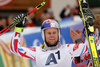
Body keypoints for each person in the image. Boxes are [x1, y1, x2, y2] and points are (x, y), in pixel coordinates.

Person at [10, 14, 94, 67]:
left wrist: (89, 27)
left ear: (58, 34)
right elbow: (15, 49)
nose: (52, 35)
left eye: (54, 32)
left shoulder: (68, 49)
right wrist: (18, 28)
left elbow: (90, 47)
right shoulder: (36, 51)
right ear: (44, 35)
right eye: (49, 33)